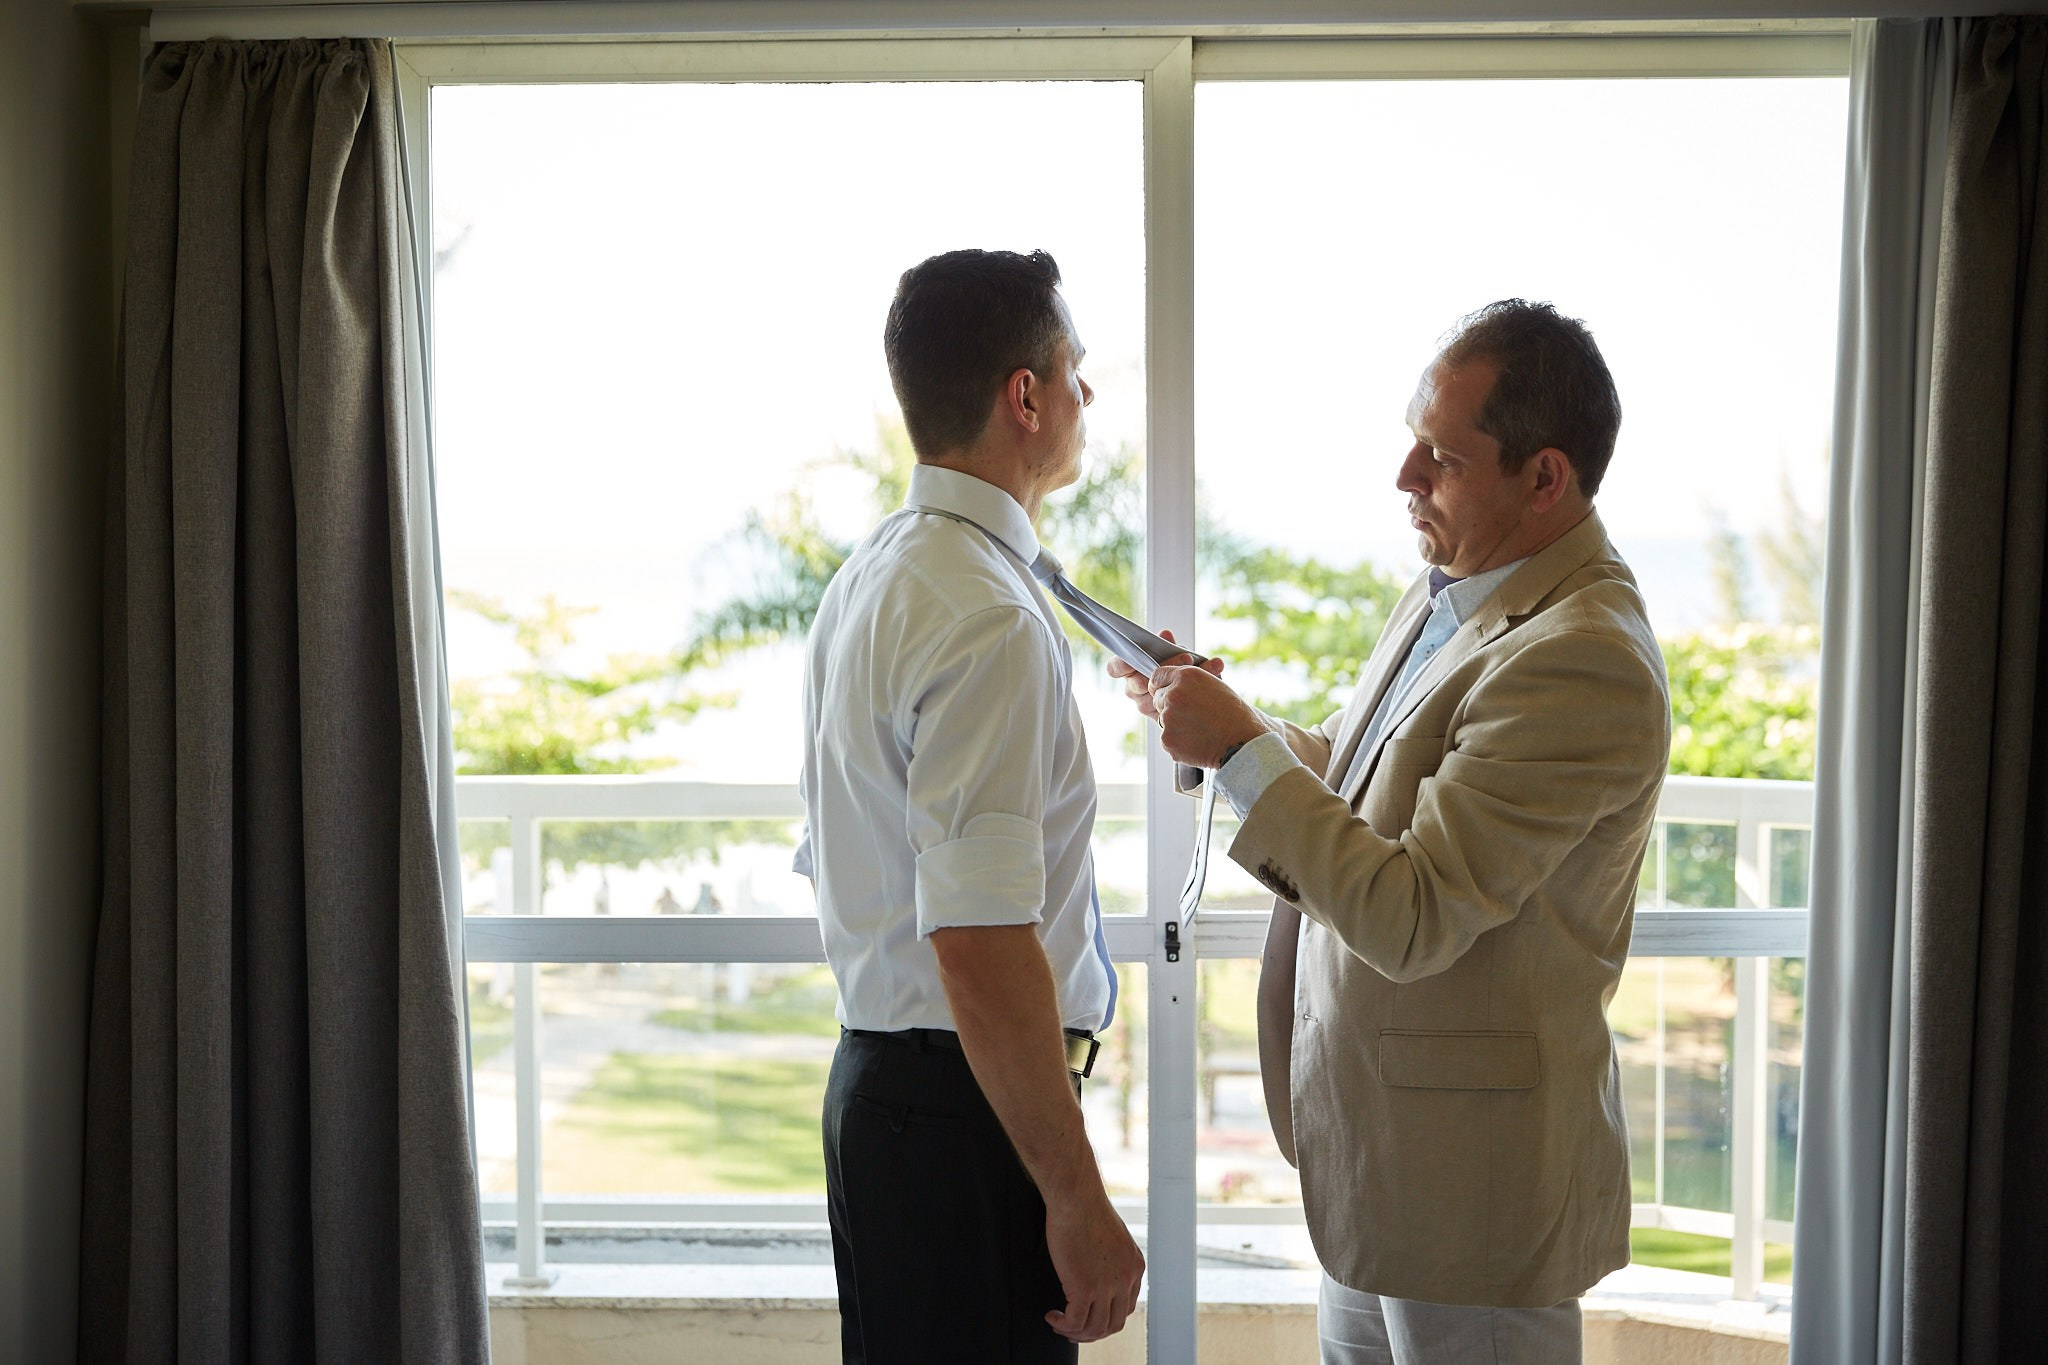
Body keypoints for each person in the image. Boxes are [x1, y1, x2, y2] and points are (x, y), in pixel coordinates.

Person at [1116, 301, 1671, 1363]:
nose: (1404, 475)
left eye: (1442, 457)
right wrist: (1228, 726)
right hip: (1383, 1167)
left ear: (1543, 477)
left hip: (1473, 1191)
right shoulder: (1448, 593)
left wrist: (1239, 753)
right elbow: (1361, 779)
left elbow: (1411, 915)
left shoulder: (1579, 654)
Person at [796, 248, 1145, 1363]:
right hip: (960, 1122)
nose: (1088, 397)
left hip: (887, 1098)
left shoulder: (879, 572)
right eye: (1074, 371)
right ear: (1025, 396)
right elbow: (980, 939)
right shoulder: (987, 615)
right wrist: (1076, 1197)